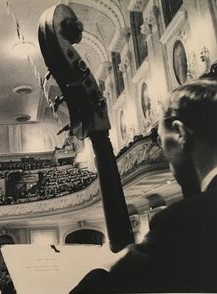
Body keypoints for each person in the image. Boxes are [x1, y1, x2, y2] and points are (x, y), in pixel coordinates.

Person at [71, 71, 217, 292]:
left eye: (159, 138)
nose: (162, 149)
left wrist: (102, 269)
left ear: (179, 133)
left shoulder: (182, 221)